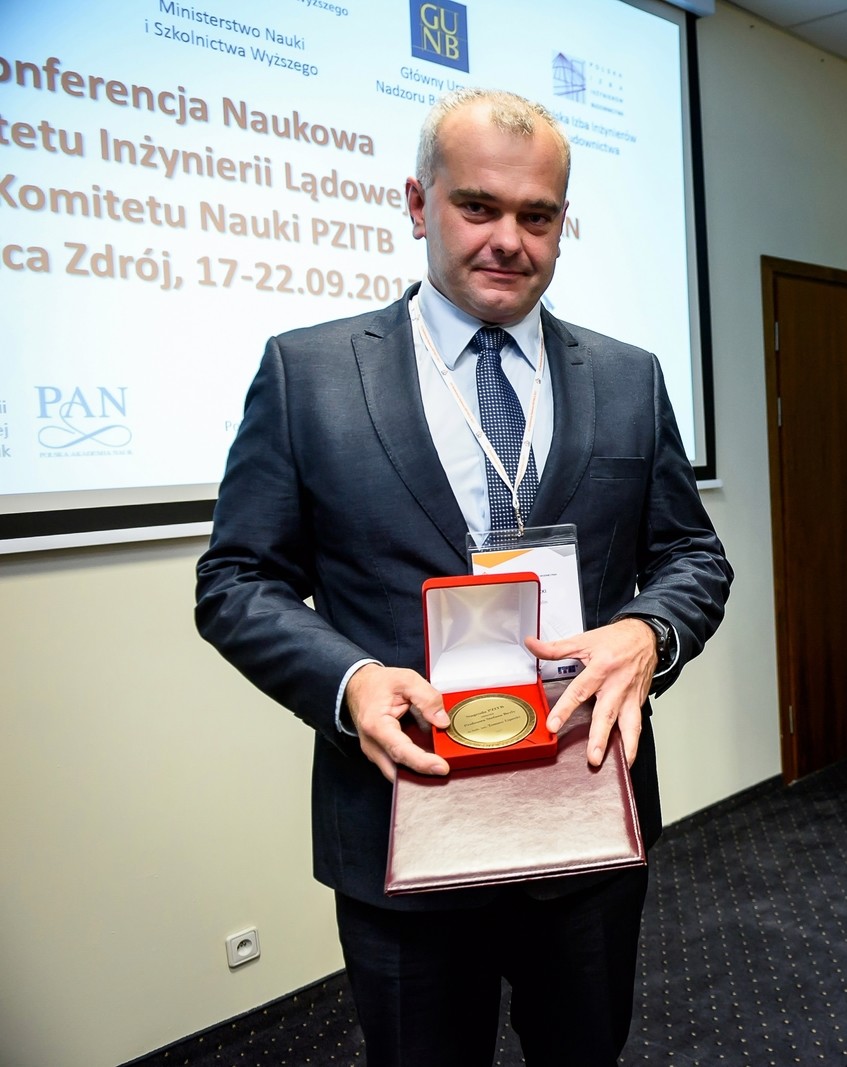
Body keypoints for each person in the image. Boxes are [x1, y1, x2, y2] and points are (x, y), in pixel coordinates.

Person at [195, 88, 732, 1067]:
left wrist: (649, 632)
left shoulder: (629, 377)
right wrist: (351, 681)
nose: (508, 241)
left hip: (584, 816)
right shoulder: (309, 374)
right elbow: (236, 580)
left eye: (538, 216)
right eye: (477, 206)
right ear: (417, 202)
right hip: (406, 823)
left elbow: (693, 556)